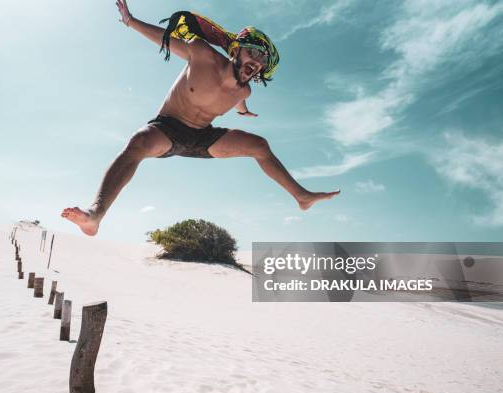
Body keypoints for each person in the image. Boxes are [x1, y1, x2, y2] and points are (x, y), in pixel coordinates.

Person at [62, 0, 340, 236]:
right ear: (236, 51)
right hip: (168, 129)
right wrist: (131, 21)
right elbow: (166, 41)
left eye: (262, 61)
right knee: (138, 143)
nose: (256, 61)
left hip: (203, 138)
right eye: (252, 52)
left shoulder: (245, 89)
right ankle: (95, 215)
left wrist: (244, 112)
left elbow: (240, 102)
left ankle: (301, 196)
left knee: (260, 146)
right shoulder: (202, 54)